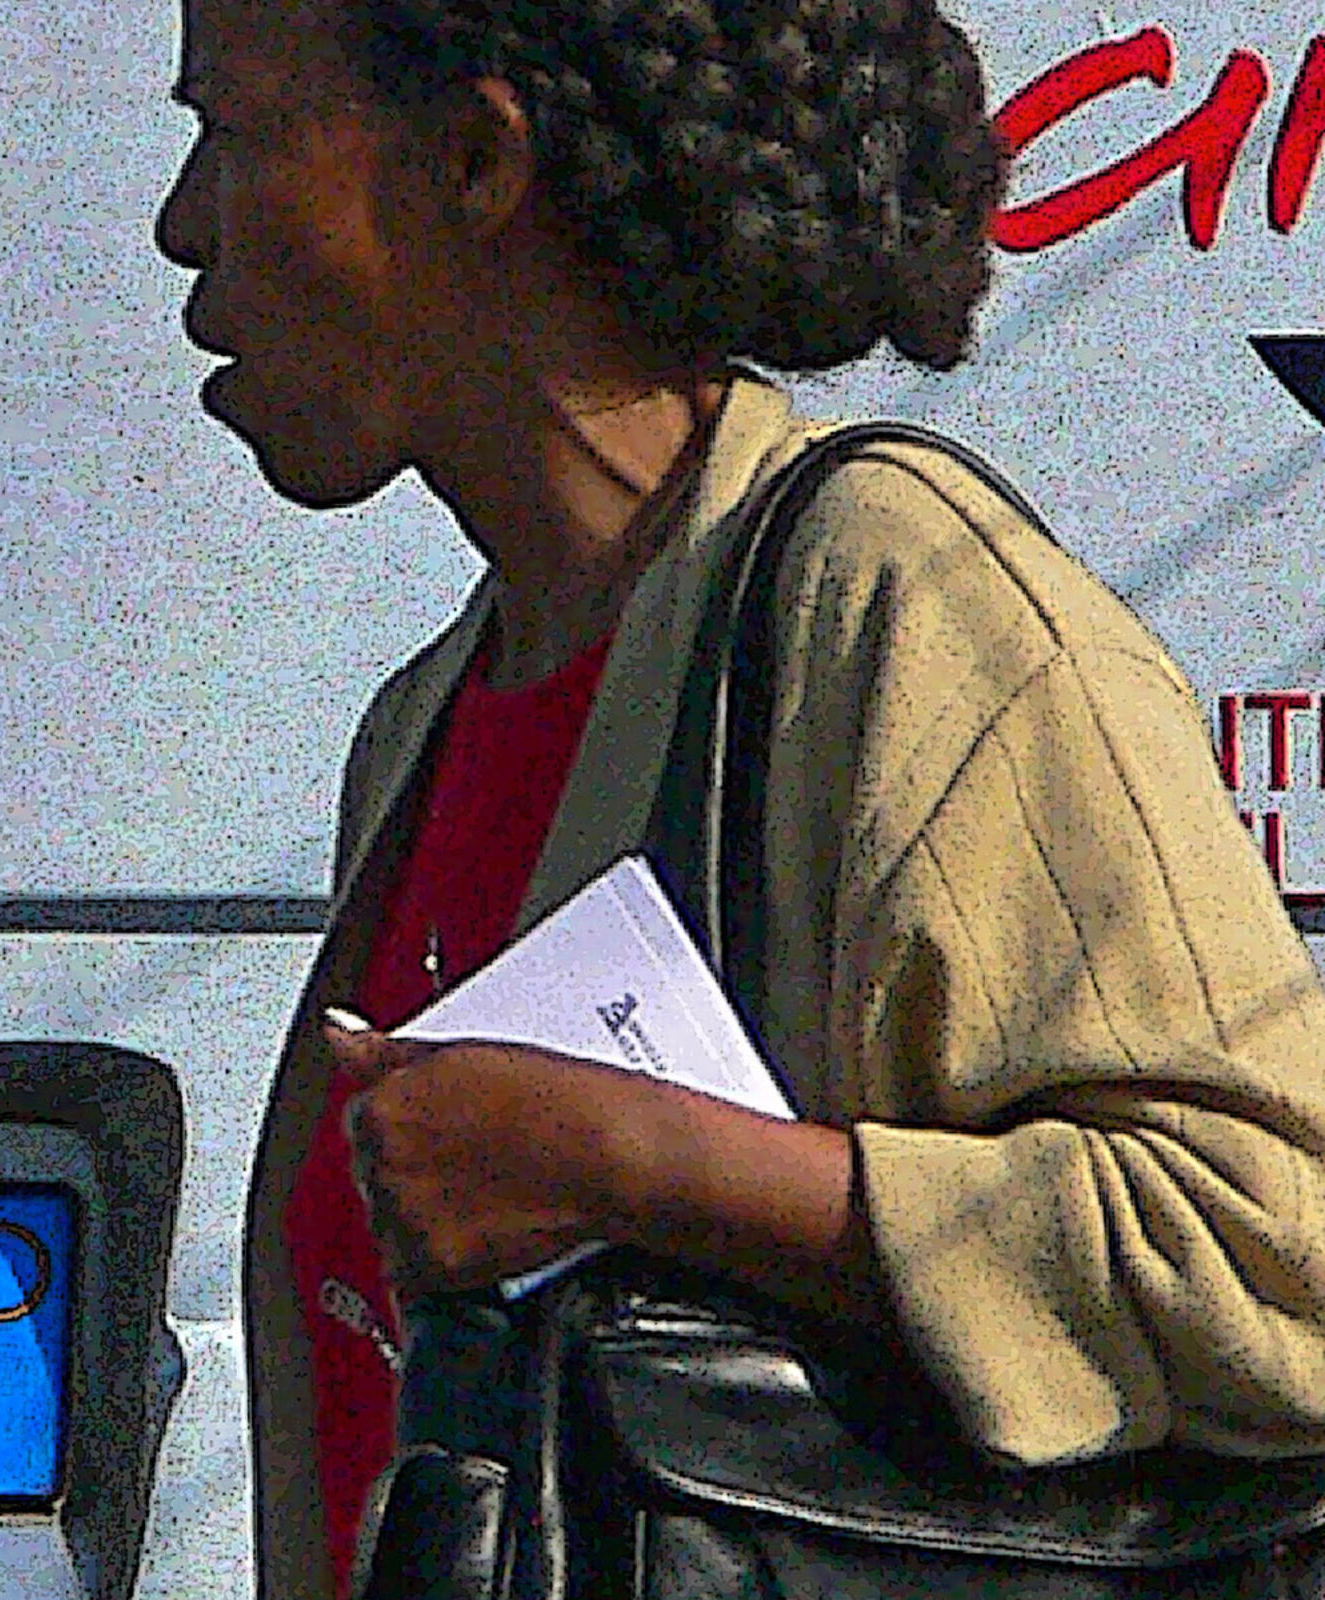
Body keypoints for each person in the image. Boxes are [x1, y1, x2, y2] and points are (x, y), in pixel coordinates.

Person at [152, 0, 1325, 1594]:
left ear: (478, 160)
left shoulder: (903, 603)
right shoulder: (425, 728)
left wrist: (642, 1166)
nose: (180, 226)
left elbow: (1280, 1264)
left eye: (235, 133)